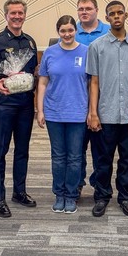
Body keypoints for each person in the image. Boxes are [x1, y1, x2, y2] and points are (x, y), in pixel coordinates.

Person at [86, 0, 128, 217]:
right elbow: (94, 82)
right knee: (103, 159)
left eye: (120, 13)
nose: (116, 16)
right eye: (112, 14)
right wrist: (93, 113)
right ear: (107, 18)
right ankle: (102, 196)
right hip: (105, 113)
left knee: (127, 159)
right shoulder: (97, 47)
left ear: (126, 15)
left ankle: (125, 197)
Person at [0, 0, 38, 218]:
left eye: (20, 13)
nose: (17, 17)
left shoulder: (30, 42)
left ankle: (19, 192)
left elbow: (34, 71)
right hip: (4, 104)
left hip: (25, 104)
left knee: (22, 150)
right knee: (0, 151)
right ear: (6, 15)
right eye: (13, 13)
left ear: (24, 15)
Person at [37, 15, 89, 214]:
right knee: (58, 157)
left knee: (75, 157)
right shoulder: (50, 53)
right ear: (58, 32)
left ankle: (71, 194)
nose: (67, 34)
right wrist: (40, 110)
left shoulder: (86, 52)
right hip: (54, 113)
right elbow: (42, 83)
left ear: (76, 30)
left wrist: (91, 111)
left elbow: (92, 84)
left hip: (77, 113)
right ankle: (59, 194)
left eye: (70, 30)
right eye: (63, 31)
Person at [75, 0, 110, 199]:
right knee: (77, 149)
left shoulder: (108, 32)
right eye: (81, 9)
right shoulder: (72, 32)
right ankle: (77, 183)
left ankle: (99, 184)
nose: (84, 12)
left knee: (101, 149)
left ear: (97, 10)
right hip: (78, 99)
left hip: (104, 99)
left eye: (88, 8)